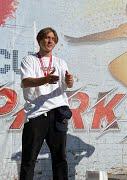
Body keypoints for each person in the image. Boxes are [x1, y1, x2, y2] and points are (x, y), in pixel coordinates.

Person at [20, 27, 74, 180]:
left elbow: (67, 84)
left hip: (58, 113)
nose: (49, 41)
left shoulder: (61, 62)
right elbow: (25, 82)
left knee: (60, 159)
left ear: (55, 42)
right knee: (29, 159)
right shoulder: (29, 60)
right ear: (39, 40)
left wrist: (70, 81)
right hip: (36, 114)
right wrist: (45, 79)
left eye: (52, 38)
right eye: (46, 37)